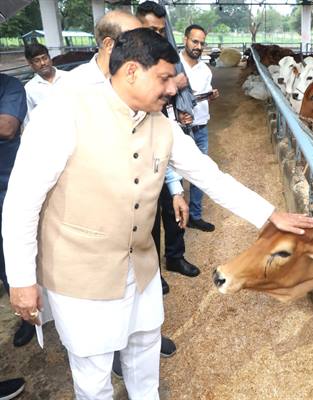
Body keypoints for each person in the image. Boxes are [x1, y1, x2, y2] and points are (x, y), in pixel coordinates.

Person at [3, 28, 313, 399]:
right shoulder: (63, 114)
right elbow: (22, 201)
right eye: (165, 78)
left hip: (141, 268)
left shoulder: (162, 126)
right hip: (80, 274)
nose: (172, 88)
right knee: (93, 375)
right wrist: (21, 280)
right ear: (131, 71)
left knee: (144, 353)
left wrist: (269, 214)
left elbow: (209, 175)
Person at [57, 9, 180, 373]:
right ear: (116, 49)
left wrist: (173, 186)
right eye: (137, 37)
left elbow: (177, 152)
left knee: (143, 339)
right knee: (94, 363)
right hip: (85, 255)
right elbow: (31, 190)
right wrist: (23, 277)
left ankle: (131, 343)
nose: (147, 43)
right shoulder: (70, 95)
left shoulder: (152, 107)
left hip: (137, 233)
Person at [136, 1, 201, 276]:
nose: (159, 36)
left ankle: (175, 256)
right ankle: (152, 271)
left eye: (162, 31)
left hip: (165, 138)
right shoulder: (131, 63)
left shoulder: (166, 56)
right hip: (140, 153)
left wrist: (180, 110)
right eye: (152, 29)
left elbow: (169, 101)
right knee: (147, 214)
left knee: (173, 200)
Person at [0, 73, 28, 397]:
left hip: (10, 192)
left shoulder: (9, 87)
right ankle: (25, 314)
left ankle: (32, 316)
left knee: (20, 259)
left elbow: (7, 127)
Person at [179, 24, 218, 232]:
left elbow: (203, 96)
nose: (198, 46)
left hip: (201, 127)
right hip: (179, 129)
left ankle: (195, 215)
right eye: (195, 41)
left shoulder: (205, 70)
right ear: (185, 39)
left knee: (200, 173)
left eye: (202, 43)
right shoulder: (174, 66)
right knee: (175, 173)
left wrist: (211, 96)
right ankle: (177, 218)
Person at [23, 43, 65, 125]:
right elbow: (28, 122)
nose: (42, 63)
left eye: (45, 58)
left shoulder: (69, 77)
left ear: (50, 58)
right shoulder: (29, 89)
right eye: (37, 61)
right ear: (30, 64)